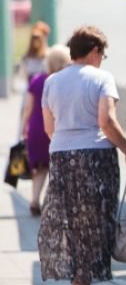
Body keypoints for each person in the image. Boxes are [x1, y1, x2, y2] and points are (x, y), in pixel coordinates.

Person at [38, 26, 126, 285]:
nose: (103, 59)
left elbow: (49, 128)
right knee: (95, 221)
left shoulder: (52, 82)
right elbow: (106, 122)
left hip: (61, 156)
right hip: (96, 158)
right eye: (103, 54)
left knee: (70, 220)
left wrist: (68, 145)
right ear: (95, 51)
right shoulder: (102, 78)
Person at [20, 45, 71, 216]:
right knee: (55, 165)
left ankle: (34, 200)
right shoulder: (64, 81)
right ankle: (50, 202)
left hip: (36, 127)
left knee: (40, 167)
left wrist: (23, 127)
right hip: (58, 126)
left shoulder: (37, 80)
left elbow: (28, 107)